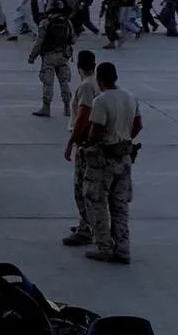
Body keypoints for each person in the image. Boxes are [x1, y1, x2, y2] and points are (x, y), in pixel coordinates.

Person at [80, 62, 142, 264]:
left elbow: (96, 131)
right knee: (120, 204)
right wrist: (124, 137)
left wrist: (88, 144)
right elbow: (138, 125)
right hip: (124, 157)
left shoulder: (101, 101)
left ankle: (104, 246)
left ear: (100, 78)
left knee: (96, 202)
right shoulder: (131, 97)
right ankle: (123, 247)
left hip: (104, 159)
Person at [62, 50, 99, 247]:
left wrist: (72, 142)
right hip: (94, 141)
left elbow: (84, 115)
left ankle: (86, 229)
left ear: (79, 67)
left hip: (85, 142)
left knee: (81, 189)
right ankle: (90, 224)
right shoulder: (97, 83)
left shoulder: (86, 86)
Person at [29, 0, 75, 117]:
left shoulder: (45, 22)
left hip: (49, 56)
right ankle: (67, 108)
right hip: (63, 55)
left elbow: (39, 42)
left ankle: (46, 108)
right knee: (64, 81)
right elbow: (73, 40)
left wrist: (32, 56)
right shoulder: (67, 22)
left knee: (48, 82)